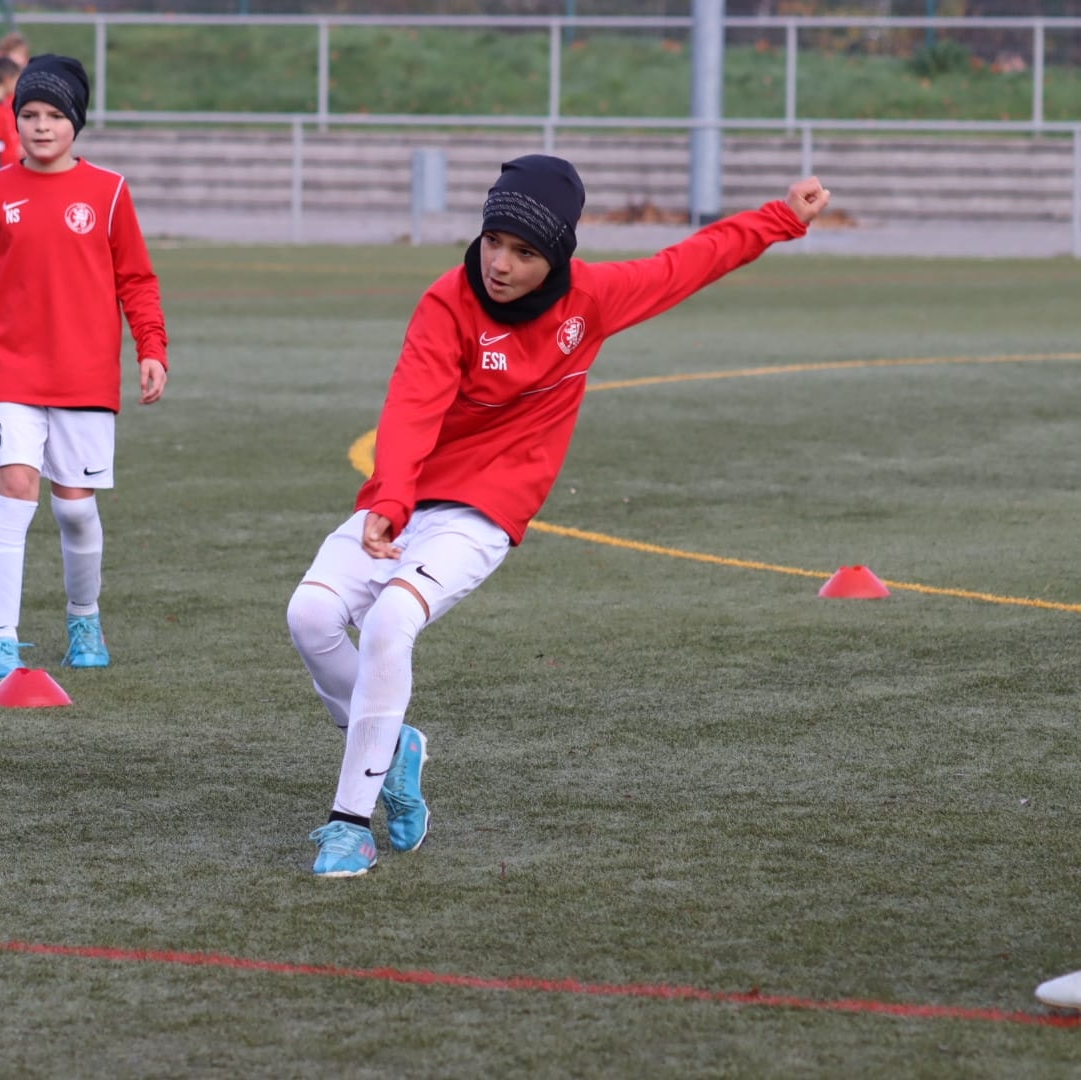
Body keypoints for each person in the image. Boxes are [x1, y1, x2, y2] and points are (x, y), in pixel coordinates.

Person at [286, 156, 833, 877]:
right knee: (309, 616)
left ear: (557, 257)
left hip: (484, 513)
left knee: (391, 620)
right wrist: (390, 500)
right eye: (493, 242)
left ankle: (349, 824)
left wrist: (782, 217)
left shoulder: (592, 300)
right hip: (411, 496)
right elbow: (411, 405)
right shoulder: (447, 301)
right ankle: (392, 747)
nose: (500, 264)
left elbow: (689, 262)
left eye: (524, 252)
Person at [0, 55, 169, 680]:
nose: (41, 126)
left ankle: (83, 618)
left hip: (84, 374)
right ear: (15, 120)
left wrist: (151, 347)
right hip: (11, 372)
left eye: (53, 114)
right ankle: (0, 637)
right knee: (15, 487)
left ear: (76, 121)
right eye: (29, 114)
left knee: (74, 507)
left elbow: (137, 279)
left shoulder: (109, 192)